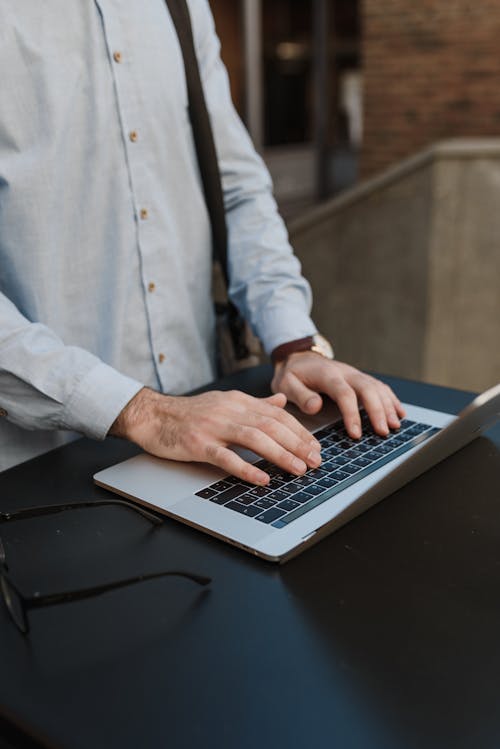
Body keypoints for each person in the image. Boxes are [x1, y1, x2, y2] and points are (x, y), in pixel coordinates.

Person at [0, 0, 404, 478]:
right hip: (45, 469)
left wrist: (293, 344)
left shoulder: (179, 7)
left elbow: (235, 188)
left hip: (214, 436)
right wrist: (145, 412)